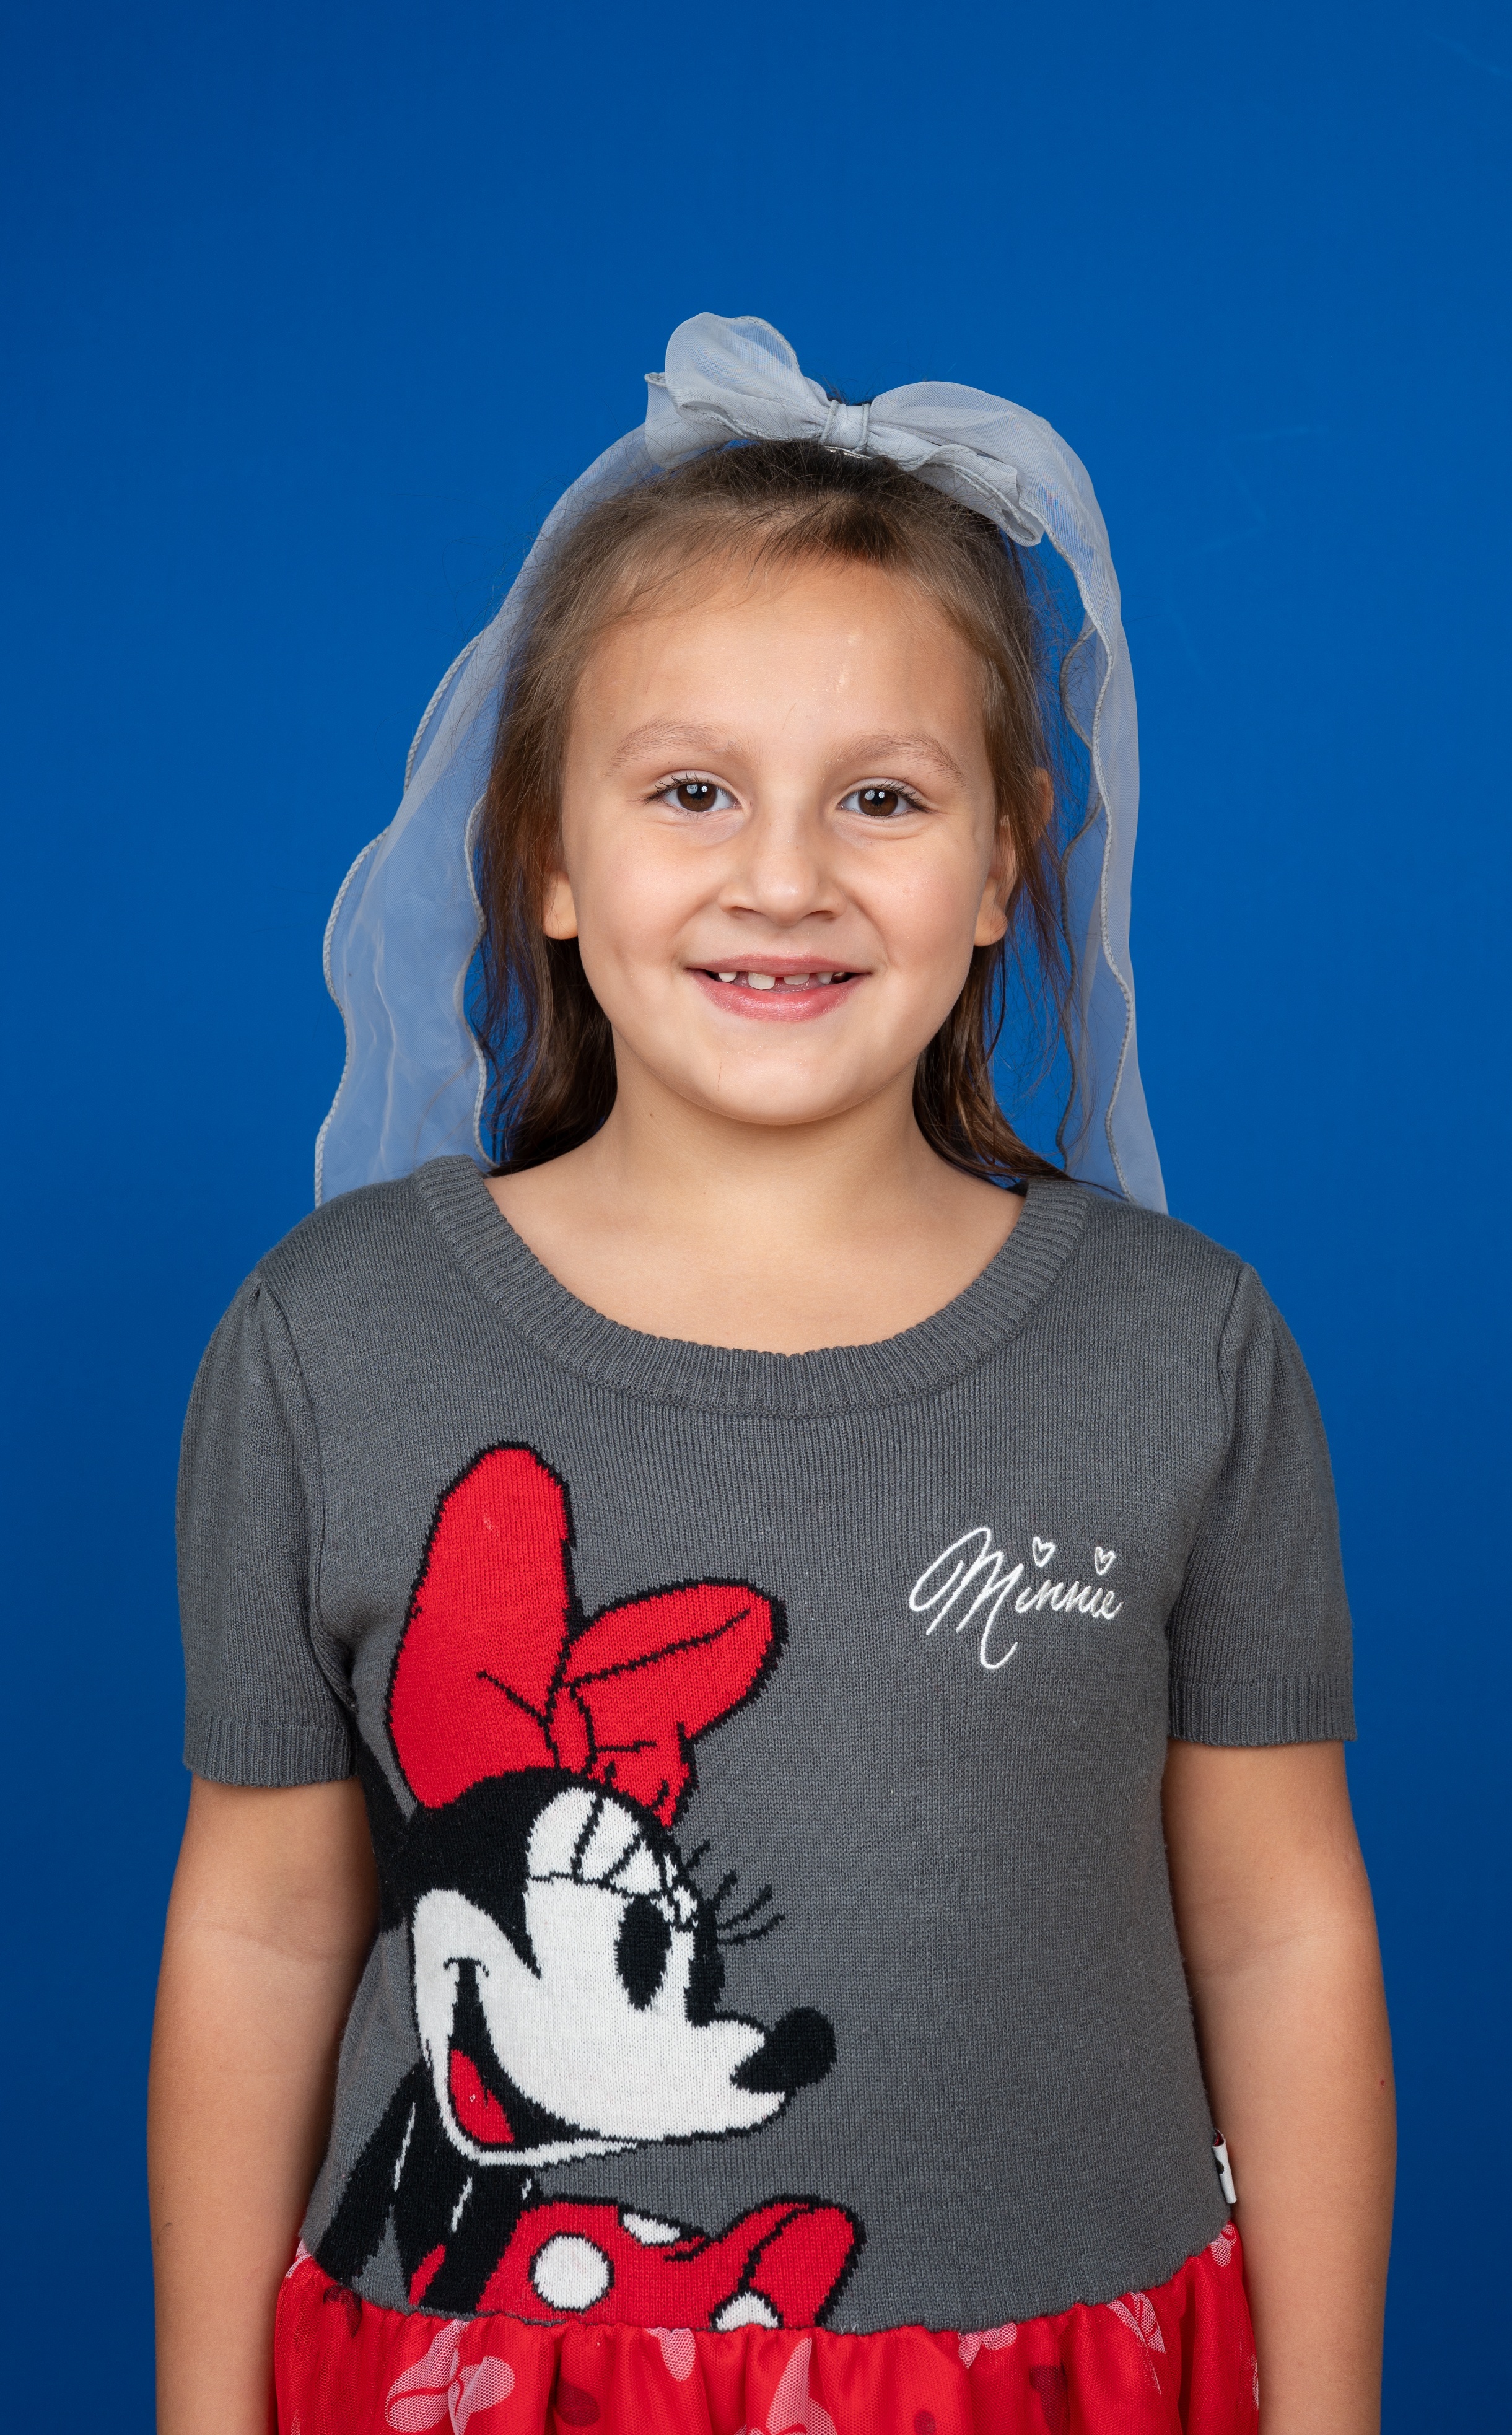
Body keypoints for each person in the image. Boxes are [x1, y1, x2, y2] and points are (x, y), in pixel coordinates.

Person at [149, 315, 1394, 2435]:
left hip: (1053, 2384)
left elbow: (1280, 1928)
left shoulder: (1183, 1348)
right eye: (692, 790)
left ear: (1003, 864)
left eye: (883, 797)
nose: (785, 876)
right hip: (481, 2378)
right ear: (549, 854)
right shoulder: (328, 1342)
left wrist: (1327, 2407)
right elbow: (263, 1925)